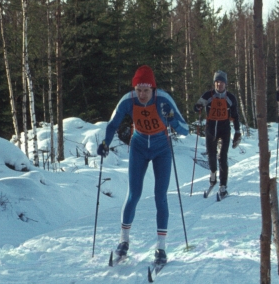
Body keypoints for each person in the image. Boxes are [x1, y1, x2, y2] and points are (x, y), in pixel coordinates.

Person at [96, 65, 189, 266]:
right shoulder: (128, 100)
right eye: (138, 90)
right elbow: (112, 124)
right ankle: (123, 242)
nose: (142, 95)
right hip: (138, 147)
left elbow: (185, 130)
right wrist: (105, 143)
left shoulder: (163, 99)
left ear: (153, 89)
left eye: (146, 90)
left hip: (161, 149)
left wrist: (172, 119)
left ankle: (161, 247)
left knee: (160, 196)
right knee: (134, 194)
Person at [193, 70, 242, 199]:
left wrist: (237, 132)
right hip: (210, 130)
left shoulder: (230, 98)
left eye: (221, 82)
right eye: (217, 82)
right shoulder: (208, 95)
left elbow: (235, 116)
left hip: (224, 130)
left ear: (225, 84)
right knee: (211, 156)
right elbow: (198, 105)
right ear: (214, 83)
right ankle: (213, 175)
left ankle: (223, 186)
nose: (219, 85)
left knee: (223, 157)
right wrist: (198, 107)